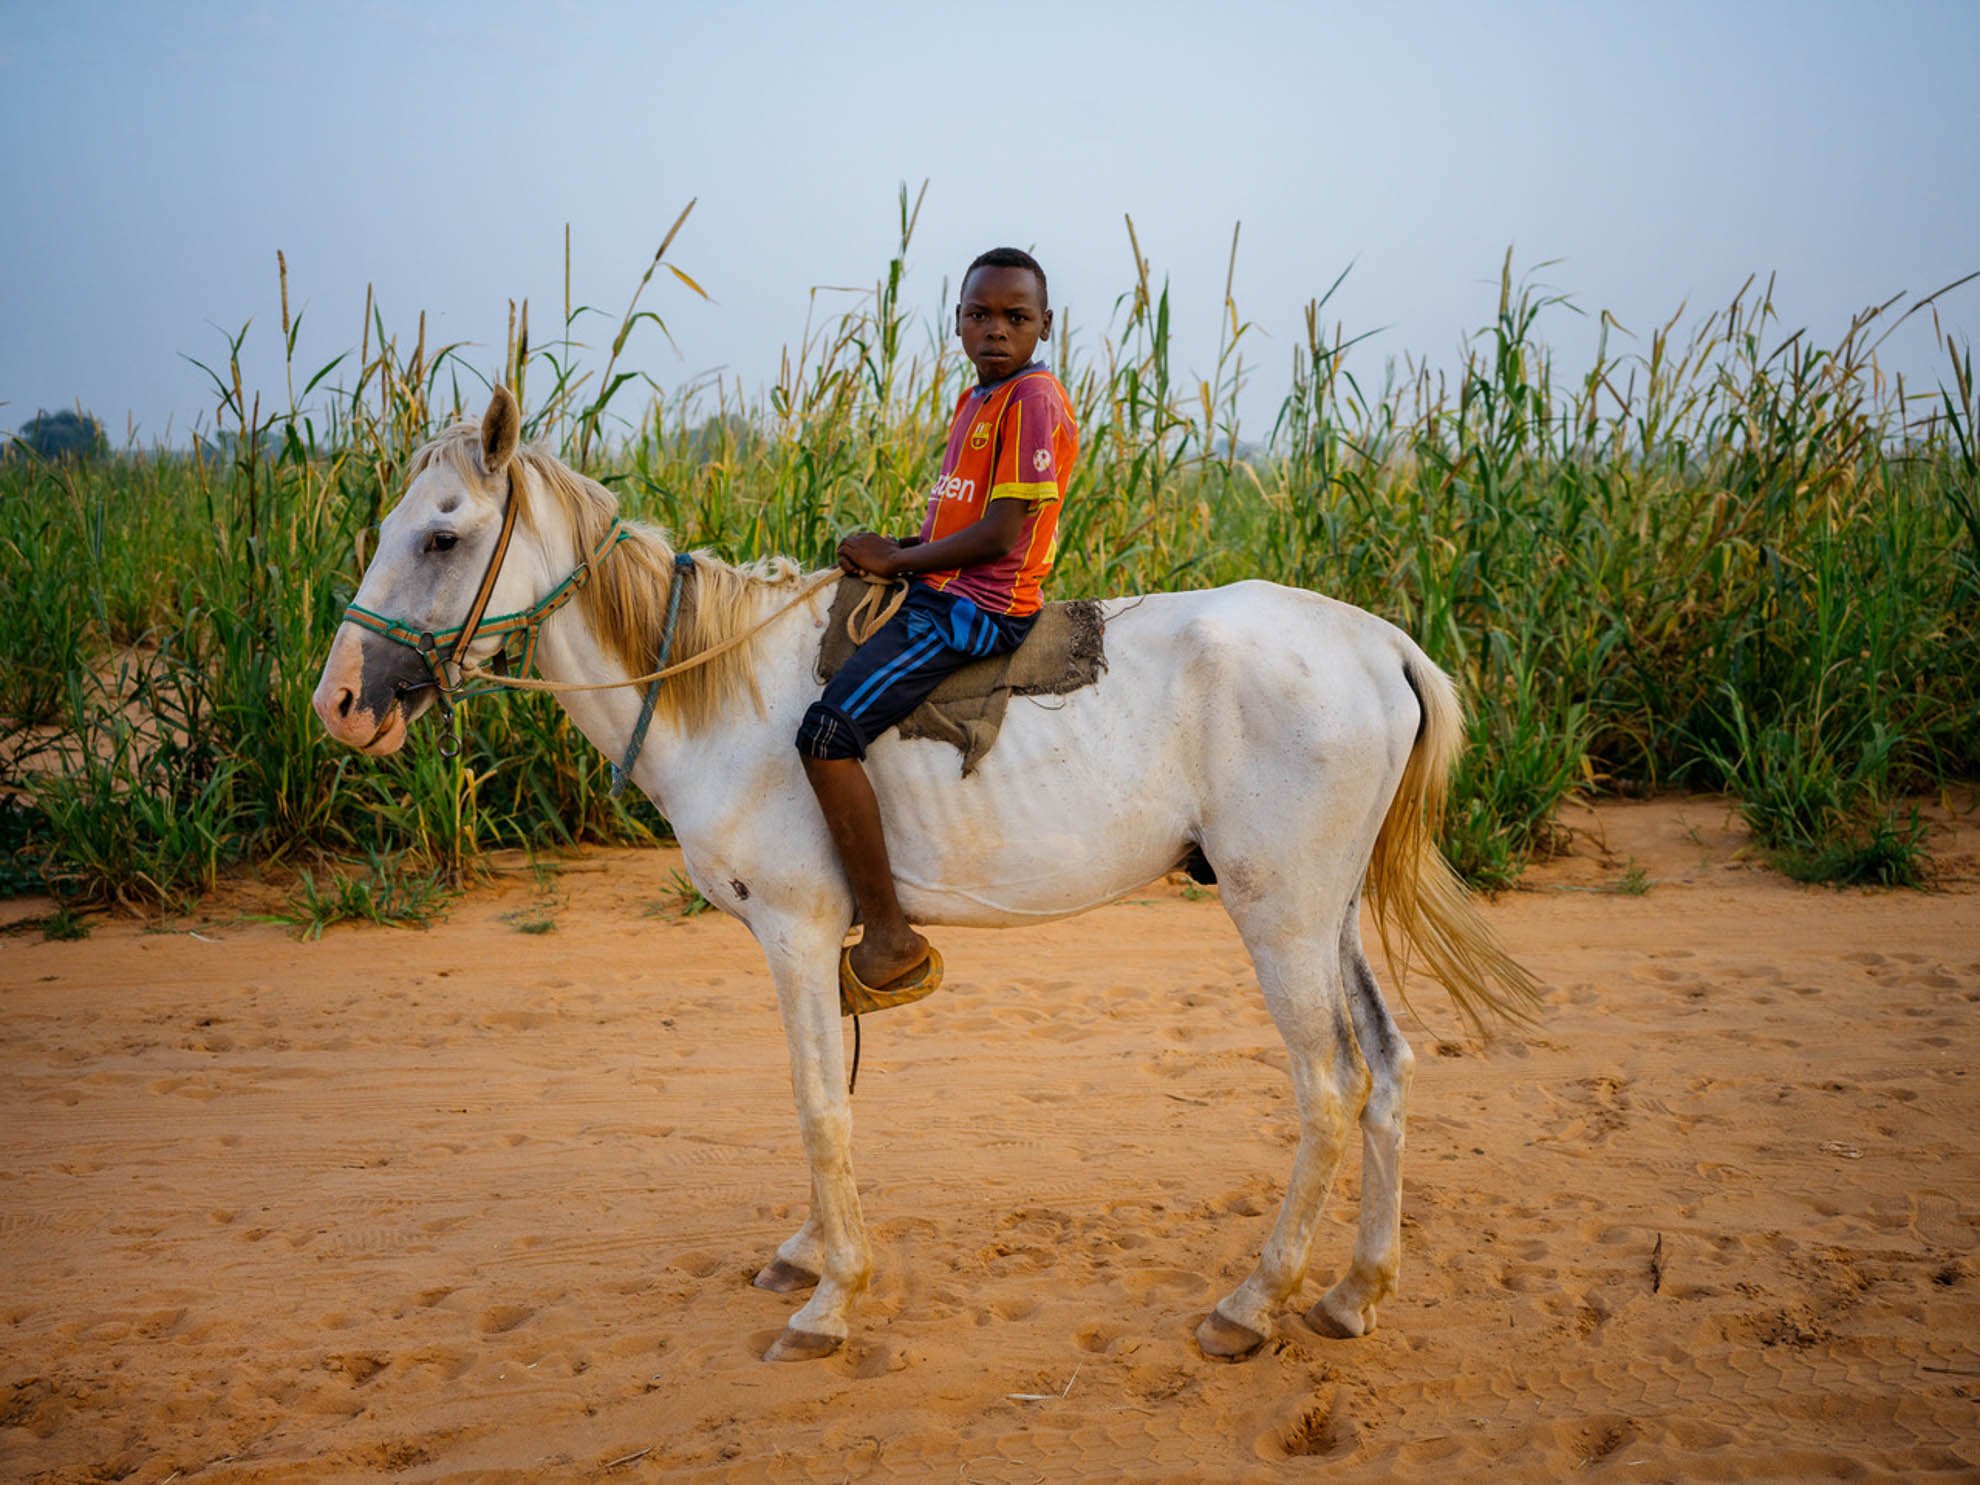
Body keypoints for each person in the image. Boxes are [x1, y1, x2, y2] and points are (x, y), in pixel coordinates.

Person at [796, 246, 1079, 1005]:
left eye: (1016, 317)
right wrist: (898, 552)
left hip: (977, 612)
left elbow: (998, 538)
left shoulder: (1031, 401)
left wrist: (897, 562)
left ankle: (889, 936)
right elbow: (957, 520)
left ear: (1044, 325)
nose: (997, 330)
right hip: (942, 590)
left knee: (825, 735)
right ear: (956, 323)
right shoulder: (978, 400)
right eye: (980, 315)